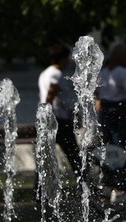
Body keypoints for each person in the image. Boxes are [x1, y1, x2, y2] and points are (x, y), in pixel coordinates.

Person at [38, 43, 82, 182]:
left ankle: (39, 194)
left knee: (44, 157)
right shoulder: (56, 73)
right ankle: (87, 187)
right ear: (63, 59)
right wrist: (48, 108)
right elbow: (52, 90)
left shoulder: (45, 73)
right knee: (74, 156)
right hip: (59, 121)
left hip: (48, 121)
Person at [96, 43, 126, 148]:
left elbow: (97, 93)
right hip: (118, 108)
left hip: (104, 107)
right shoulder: (123, 72)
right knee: (120, 139)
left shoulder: (103, 72)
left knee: (107, 138)